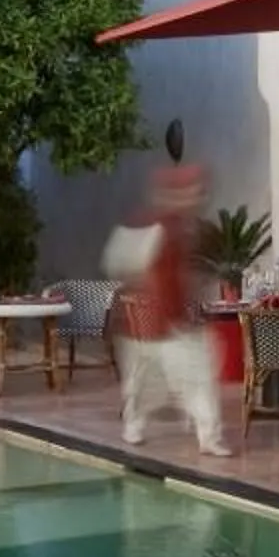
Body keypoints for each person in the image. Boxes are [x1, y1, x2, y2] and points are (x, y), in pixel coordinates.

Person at [108, 165, 229, 455]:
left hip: (175, 322)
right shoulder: (147, 224)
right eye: (189, 191)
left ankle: (209, 437)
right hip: (145, 324)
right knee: (141, 382)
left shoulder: (183, 228)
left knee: (199, 373)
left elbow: (180, 275)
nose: (195, 197)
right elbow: (121, 264)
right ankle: (133, 426)